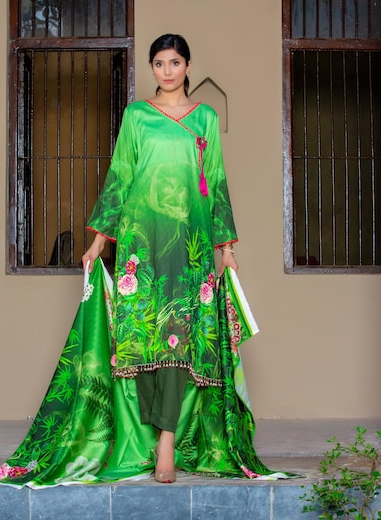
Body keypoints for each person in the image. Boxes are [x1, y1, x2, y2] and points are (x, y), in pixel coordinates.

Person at [82, 33, 239, 483]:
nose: (166, 71)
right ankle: (148, 432)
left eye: (174, 62)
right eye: (158, 63)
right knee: (141, 339)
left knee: (178, 336)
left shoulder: (205, 117)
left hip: (189, 244)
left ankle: (166, 440)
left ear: (188, 66)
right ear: (152, 68)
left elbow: (216, 180)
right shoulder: (137, 115)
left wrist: (224, 248)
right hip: (140, 241)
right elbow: (120, 175)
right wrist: (100, 242)